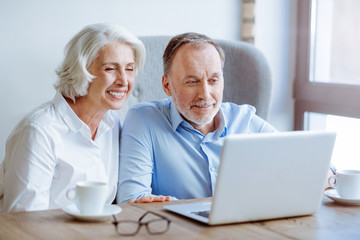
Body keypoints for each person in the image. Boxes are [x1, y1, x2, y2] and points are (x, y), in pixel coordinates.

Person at [0, 23, 145, 212]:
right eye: (110, 69)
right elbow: (25, 222)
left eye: (129, 69)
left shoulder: (113, 123)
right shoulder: (39, 130)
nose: (124, 81)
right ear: (81, 69)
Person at [117, 32, 277, 204]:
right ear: (167, 85)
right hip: (178, 230)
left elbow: (294, 167)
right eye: (192, 82)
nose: (205, 95)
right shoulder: (143, 120)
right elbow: (132, 201)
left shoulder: (244, 120)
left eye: (213, 80)